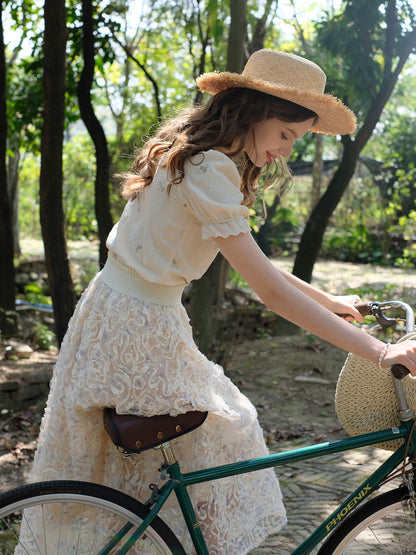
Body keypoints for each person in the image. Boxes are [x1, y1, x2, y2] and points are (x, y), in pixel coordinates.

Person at [25, 49, 416, 554]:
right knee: (234, 427)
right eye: (284, 135)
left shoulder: (194, 155)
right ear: (254, 110)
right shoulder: (210, 169)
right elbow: (269, 292)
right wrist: (380, 353)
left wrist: (330, 297)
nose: (284, 151)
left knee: (174, 465)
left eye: (294, 142)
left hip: (118, 314)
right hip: (140, 328)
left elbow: (254, 263)